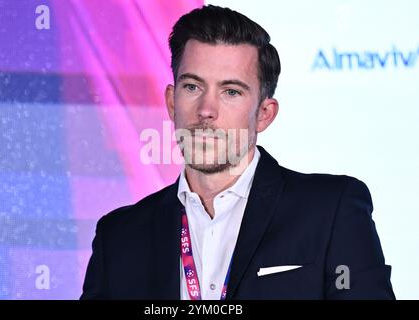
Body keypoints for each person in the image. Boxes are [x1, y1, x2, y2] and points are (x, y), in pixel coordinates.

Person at [80, 5, 395, 300]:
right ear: (173, 102)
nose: (206, 110)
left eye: (230, 91)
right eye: (192, 87)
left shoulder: (332, 210)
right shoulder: (119, 237)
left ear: (264, 114)